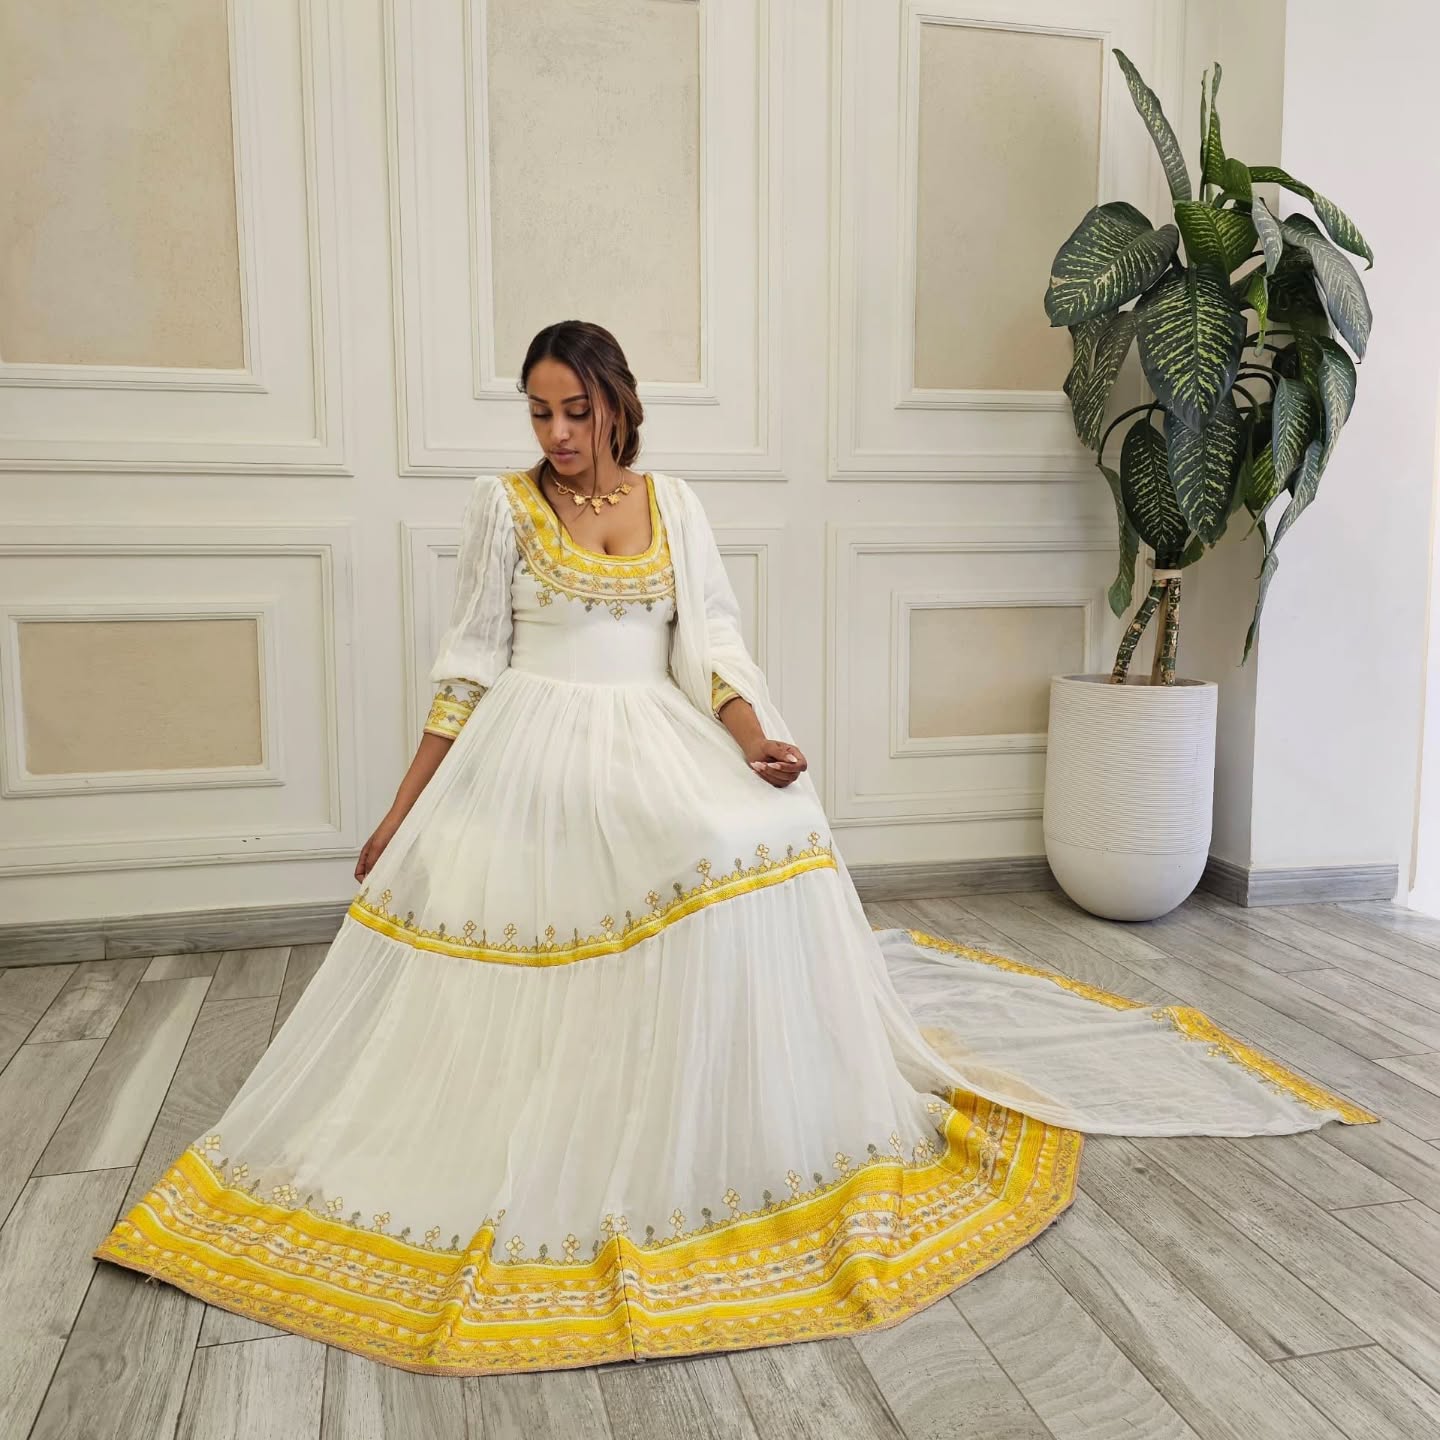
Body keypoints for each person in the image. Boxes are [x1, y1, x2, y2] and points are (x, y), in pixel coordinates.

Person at [94, 320, 1376, 1376]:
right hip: (531, 750)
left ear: (616, 404)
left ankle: (724, 1095)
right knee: (544, 907)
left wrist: (756, 735)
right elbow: (468, 667)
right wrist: (398, 810)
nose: (553, 434)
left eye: (572, 410)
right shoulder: (501, 512)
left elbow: (708, 646)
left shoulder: (673, 505)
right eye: (536, 412)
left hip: (652, 735)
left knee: (764, 824)